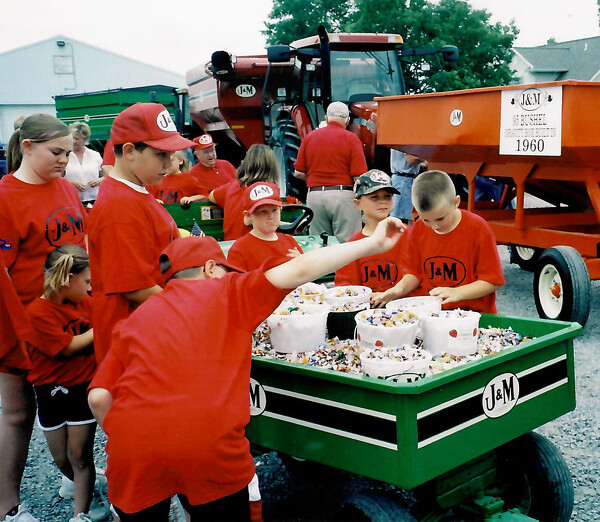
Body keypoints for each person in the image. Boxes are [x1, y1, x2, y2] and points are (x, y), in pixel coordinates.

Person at [87, 216, 405, 521]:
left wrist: (145, 442)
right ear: (211, 267)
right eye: (227, 270)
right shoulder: (229, 292)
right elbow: (300, 268)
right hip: (208, 447)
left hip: (131, 451)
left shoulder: (135, 320)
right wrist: (372, 244)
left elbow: (99, 398)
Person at [0, 113, 88, 522]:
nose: (65, 161)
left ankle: (76, 476)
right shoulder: (6, 198)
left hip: (71, 320)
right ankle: (9, 506)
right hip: (24, 325)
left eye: (69, 153)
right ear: (28, 146)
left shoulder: (67, 189)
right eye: (56, 152)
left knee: (74, 402)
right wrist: (21, 332)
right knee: (18, 414)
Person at [87, 102, 194, 364]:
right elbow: (135, 288)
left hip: (149, 329)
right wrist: (193, 307)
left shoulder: (136, 191)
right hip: (134, 341)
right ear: (130, 151)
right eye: (161, 155)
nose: (170, 164)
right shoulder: (119, 206)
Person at [26, 246, 108, 522]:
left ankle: (80, 514)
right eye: (86, 282)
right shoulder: (38, 312)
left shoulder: (87, 304)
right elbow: (68, 347)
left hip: (82, 388)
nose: (89, 288)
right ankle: (91, 487)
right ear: (67, 279)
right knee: (62, 458)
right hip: (49, 392)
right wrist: (103, 328)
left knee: (80, 455)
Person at [371, 170, 505, 313]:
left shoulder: (478, 228)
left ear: (456, 202)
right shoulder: (419, 228)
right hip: (434, 313)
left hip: (473, 315)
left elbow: (492, 281)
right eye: (426, 219)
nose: (434, 226)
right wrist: (398, 290)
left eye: (440, 218)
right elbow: (414, 273)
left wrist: (457, 293)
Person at [293, 101, 367, 243]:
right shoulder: (351, 139)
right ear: (347, 120)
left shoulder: (310, 137)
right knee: (348, 246)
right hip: (343, 196)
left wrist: (315, 179)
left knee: (319, 245)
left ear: (326, 118)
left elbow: (298, 172)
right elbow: (358, 177)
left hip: (314, 196)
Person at [335, 170, 408, 292]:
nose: (382, 201)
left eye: (388, 196)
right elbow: (345, 288)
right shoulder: (353, 244)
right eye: (374, 197)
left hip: (406, 306)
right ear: (358, 204)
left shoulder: (405, 233)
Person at [195, 144, 279, 241]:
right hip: (251, 245)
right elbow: (269, 222)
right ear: (272, 167)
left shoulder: (231, 187)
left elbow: (211, 196)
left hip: (229, 244)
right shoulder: (269, 190)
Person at [227, 181, 302, 271]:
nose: (271, 216)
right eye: (263, 212)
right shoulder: (239, 249)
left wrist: (301, 262)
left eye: (274, 210)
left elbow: (305, 274)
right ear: (248, 215)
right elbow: (236, 283)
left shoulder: (290, 241)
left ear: (280, 209)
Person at [64, 122, 104, 204]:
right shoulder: (64, 156)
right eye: (72, 138)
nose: (73, 141)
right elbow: (57, 179)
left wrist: (98, 181)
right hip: (72, 201)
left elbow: (106, 176)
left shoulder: (95, 155)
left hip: (95, 200)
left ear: (85, 139)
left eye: (77, 139)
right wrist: (71, 183)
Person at [389, 149, 426, 225]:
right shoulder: (407, 137)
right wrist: (427, 156)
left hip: (404, 179)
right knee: (398, 219)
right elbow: (412, 159)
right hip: (404, 180)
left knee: (409, 217)